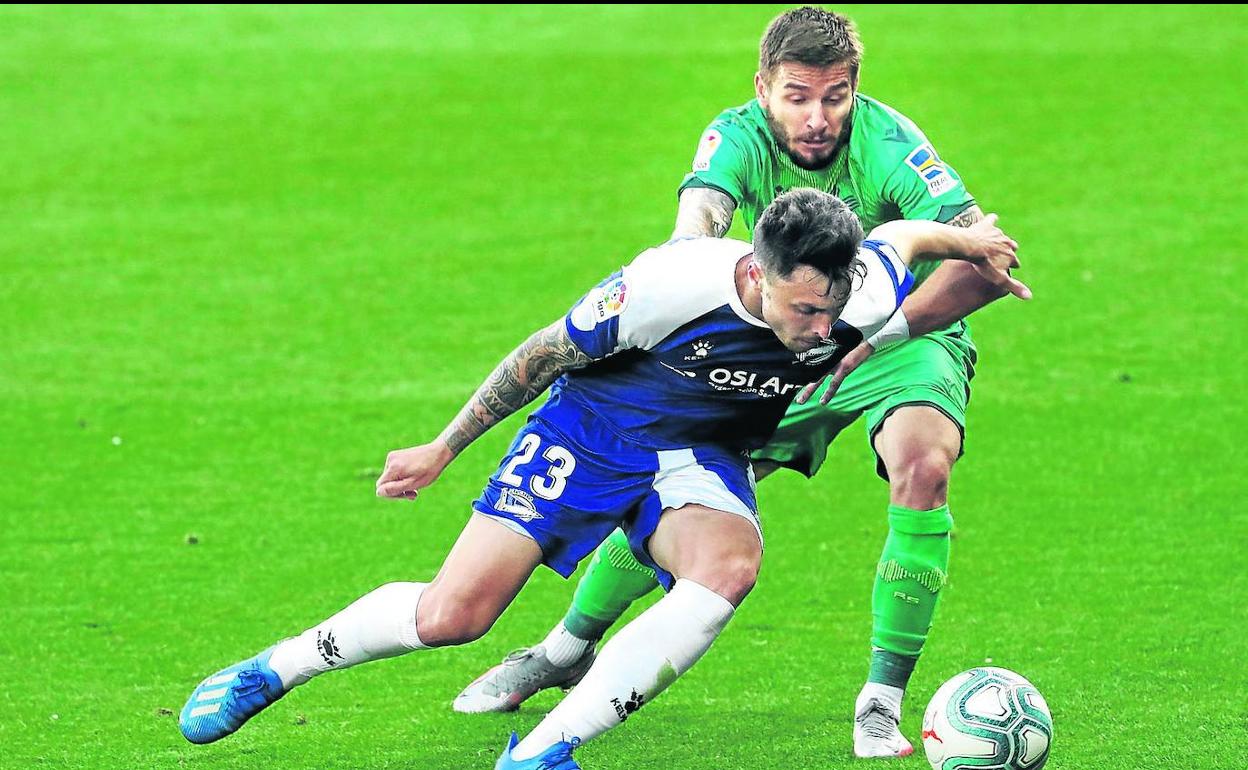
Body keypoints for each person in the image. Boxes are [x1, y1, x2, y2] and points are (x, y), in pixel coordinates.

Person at [178, 189, 1024, 769]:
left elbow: (905, 239)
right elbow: (537, 357)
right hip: (590, 432)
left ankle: (546, 745)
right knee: (452, 617)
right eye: (802, 311)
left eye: (829, 312)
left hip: (699, 452)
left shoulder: (857, 291)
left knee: (729, 567)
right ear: (756, 274)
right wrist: (443, 447)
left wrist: (972, 243)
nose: (816, 331)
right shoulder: (665, 285)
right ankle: (276, 668)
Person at [453, 6, 1030, 760]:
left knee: (923, 465)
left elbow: (986, 266)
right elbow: (697, 227)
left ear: (857, 88)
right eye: (797, 96)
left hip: (901, 332)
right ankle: (568, 647)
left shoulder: (893, 145)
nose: (818, 118)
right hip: (780, 335)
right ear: (763, 88)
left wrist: (872, 337)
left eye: (835, 96)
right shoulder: (735, 137)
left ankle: (881, 702)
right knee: (685, 474)